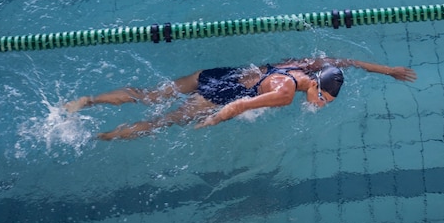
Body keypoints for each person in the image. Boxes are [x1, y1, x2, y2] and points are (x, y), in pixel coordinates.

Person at [64, 56, 417, 140]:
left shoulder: (307, 67)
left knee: (151, 95)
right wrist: (210, 121)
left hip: (222, 74)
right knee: (161, 122)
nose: (321, 105)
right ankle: (103, 137)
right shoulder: (286, 94)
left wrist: (388, 71)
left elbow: (346, 62)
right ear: (317, 88)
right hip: (223, 95)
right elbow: (241, 105)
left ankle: (89, 101)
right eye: (323, 100)